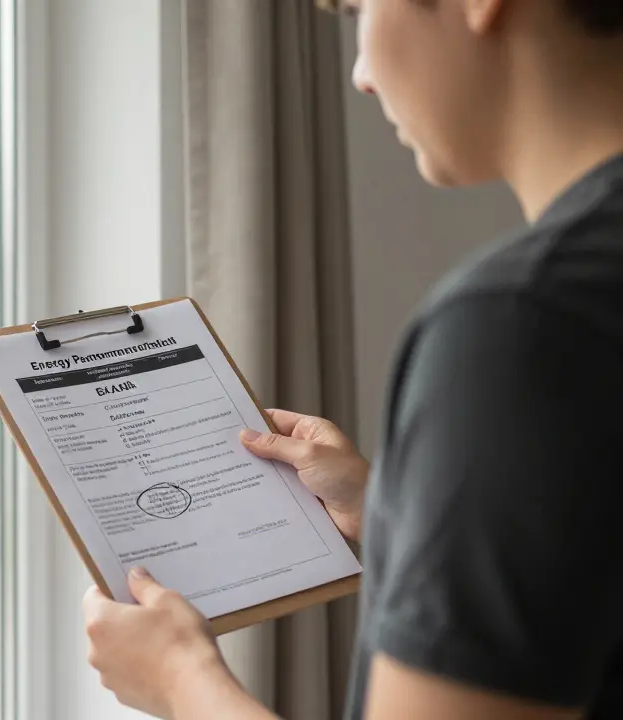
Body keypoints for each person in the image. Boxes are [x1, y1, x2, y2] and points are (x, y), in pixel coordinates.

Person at [81, 0, 623, 718]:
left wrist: (181, 683)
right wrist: (398, 510)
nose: (362, 76)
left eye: (359, 10)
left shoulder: (521, 324)